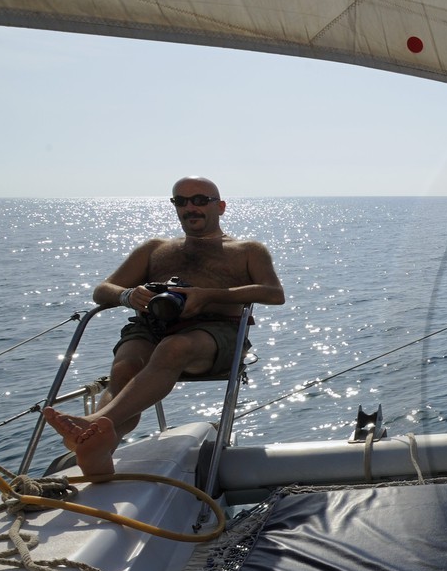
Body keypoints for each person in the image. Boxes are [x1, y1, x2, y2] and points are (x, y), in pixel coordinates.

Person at [42, 176, 285, 477]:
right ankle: (99, 447)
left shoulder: (248, 249)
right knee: (125, 367)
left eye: (199, 200)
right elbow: (103, 289)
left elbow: (274, 294)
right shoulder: (156, 248)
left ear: (220, 207)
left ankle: (93, 424)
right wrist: (128, 295)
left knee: (174, 347)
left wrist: (207, 296)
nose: (190, 207)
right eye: (180, 201)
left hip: (216, 331)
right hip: (153, 325)